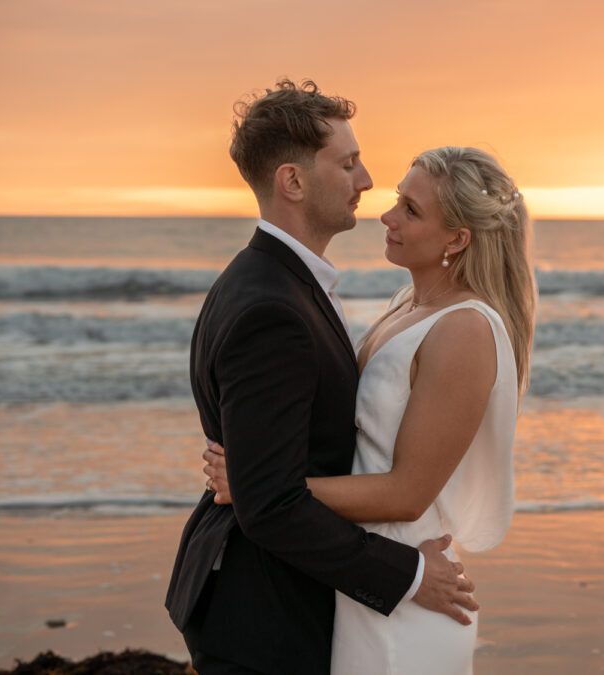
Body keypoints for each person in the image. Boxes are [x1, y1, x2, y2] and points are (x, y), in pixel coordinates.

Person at [165, 79, 480, 675]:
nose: (365, 181)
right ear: (293, 181)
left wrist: (254, 482)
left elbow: (270, 483)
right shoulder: (272, 309)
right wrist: (412, 575)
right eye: (349, 162)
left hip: (271, 598)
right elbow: (273, 507)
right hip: (265, 614)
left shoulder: (269, 280)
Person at [202, 144, 536, 674]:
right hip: (365, 573)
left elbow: (406, 493)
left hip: (407, 588)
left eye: (411, 209)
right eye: (399, 199)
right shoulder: (407, 307)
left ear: (457, 238)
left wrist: (255, 486)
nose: (386, 215)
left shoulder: (466, 329)